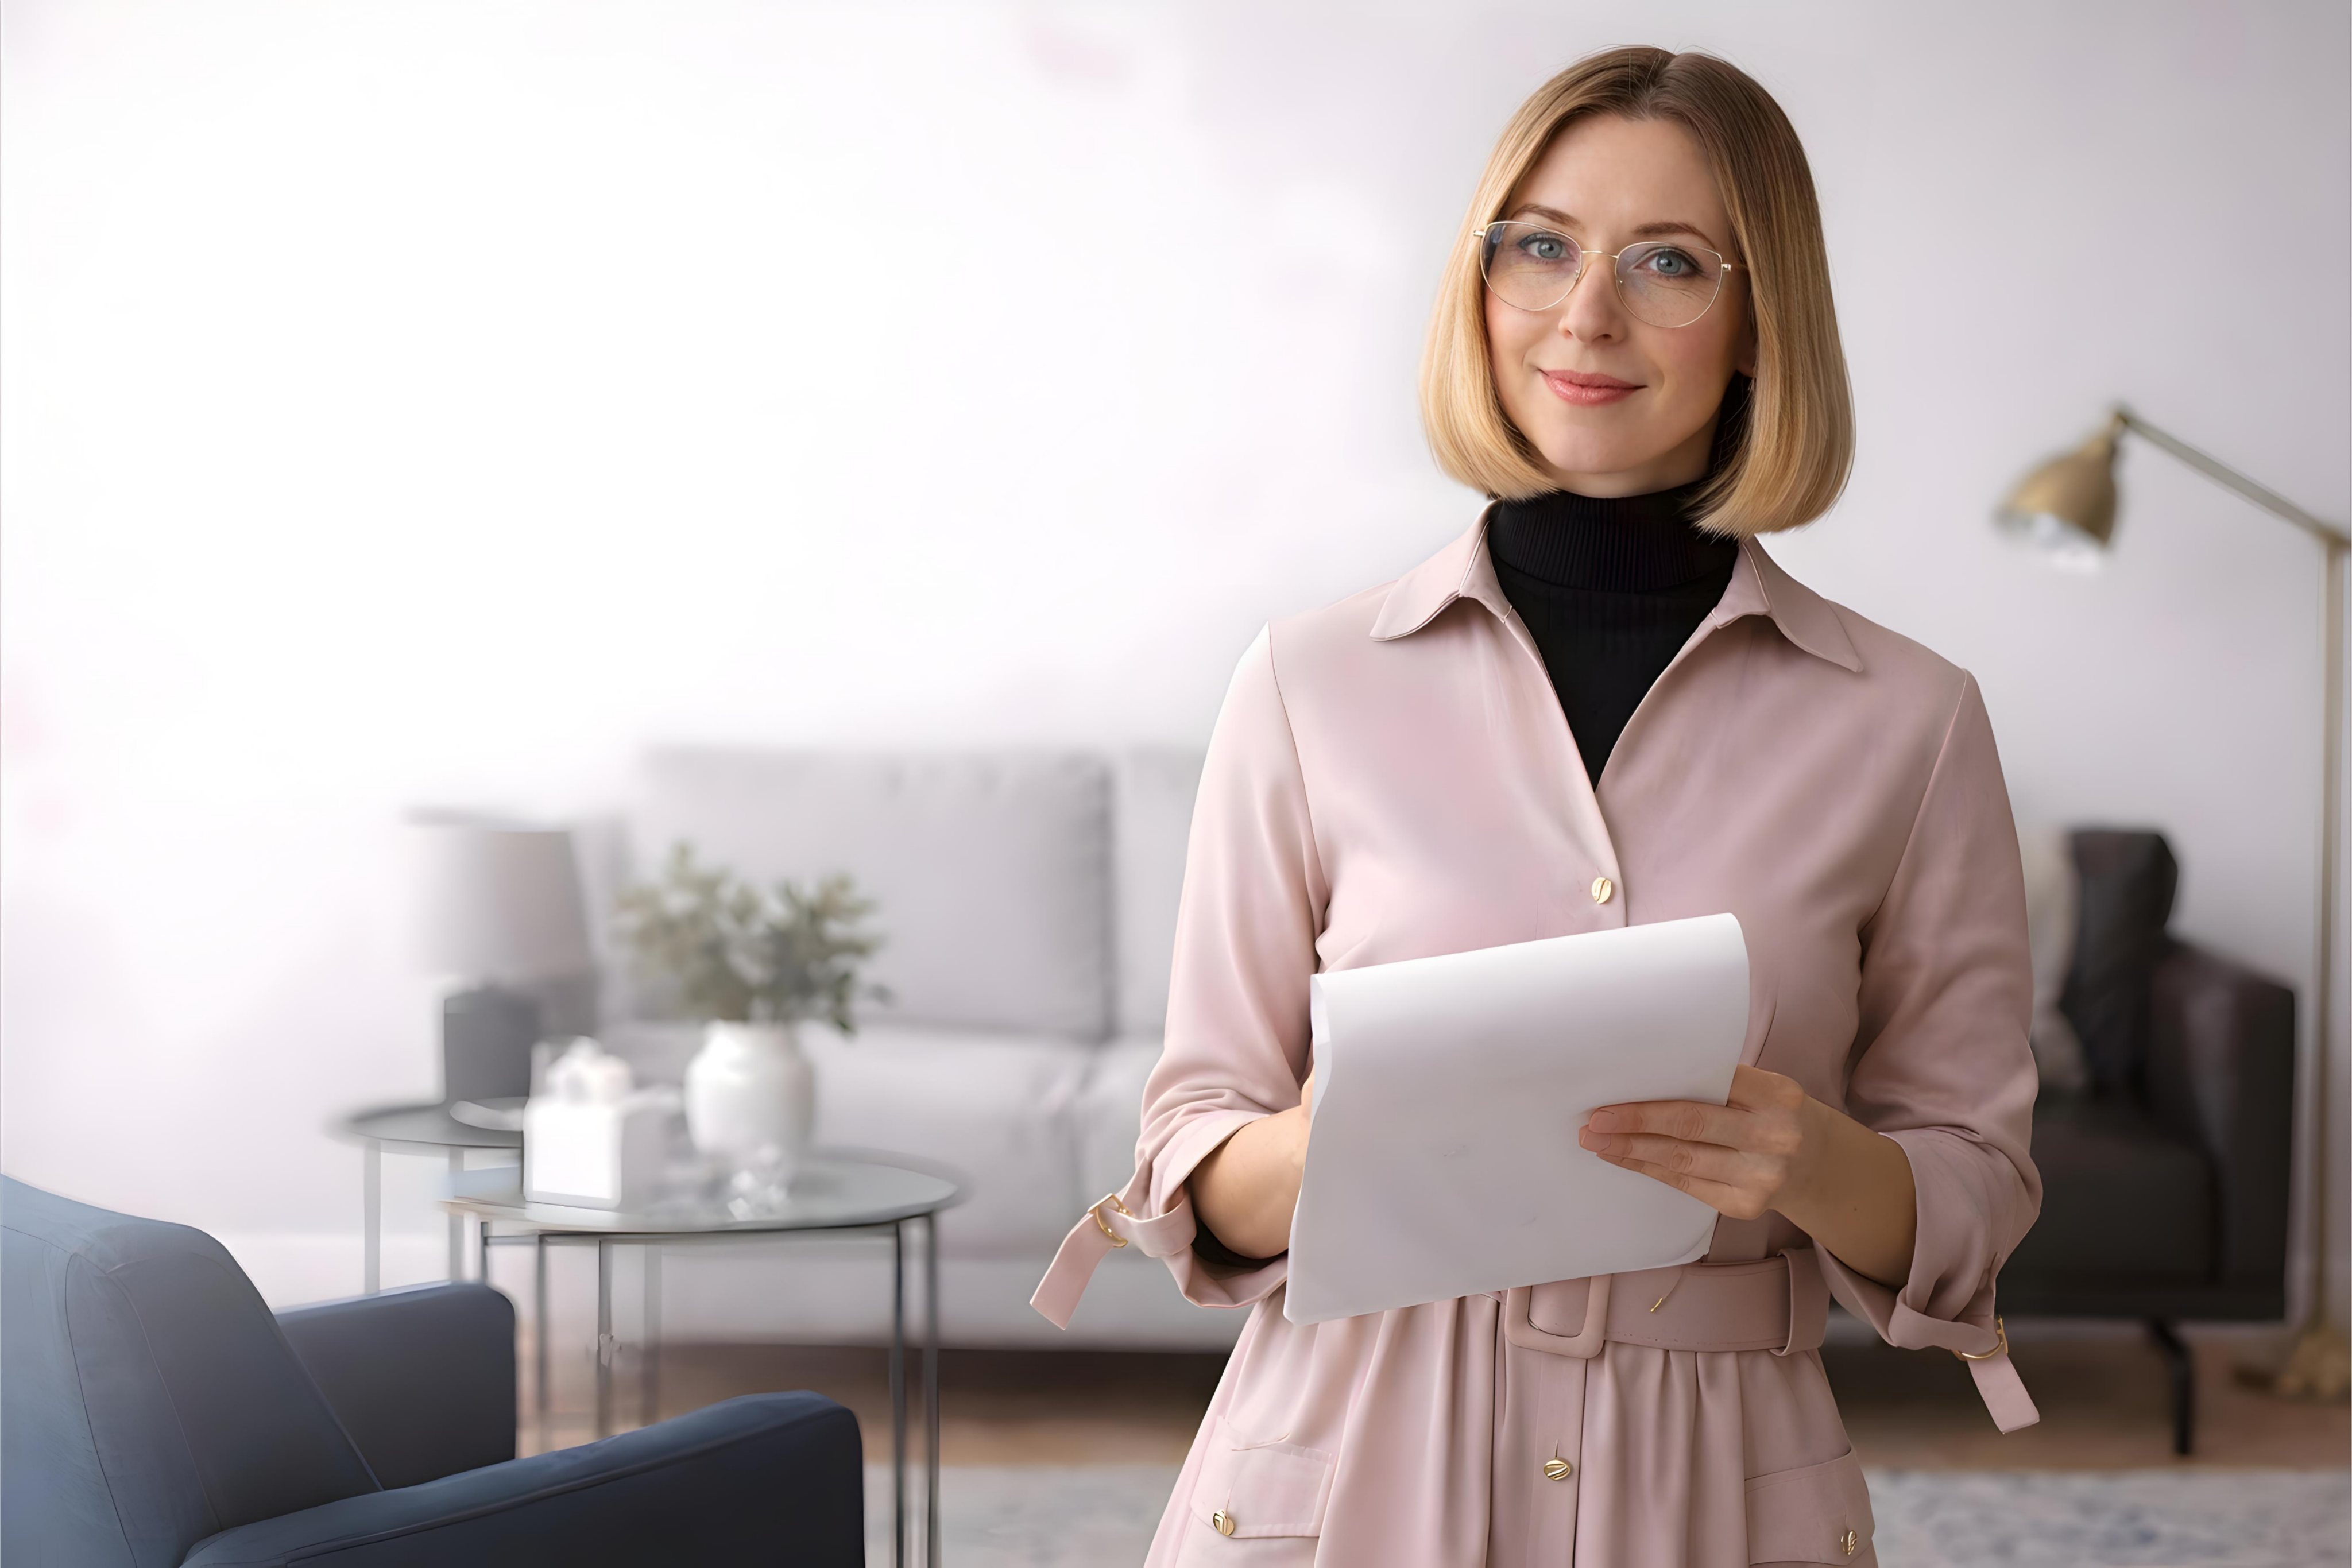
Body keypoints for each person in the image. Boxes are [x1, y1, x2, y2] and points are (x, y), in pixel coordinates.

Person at [1032, 45, 2040, 1567]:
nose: (1588, 313)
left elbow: (1981, 1181)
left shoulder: (1912, 720)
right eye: (1543, 246)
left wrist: (1818, 1162)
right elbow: (1196, 1154)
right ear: (1482, 282)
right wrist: (1346, 1135)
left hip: (1717, 1481)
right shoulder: (1308, 683)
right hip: (1347, 1457)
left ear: (1761, 322)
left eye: (1669, 262)